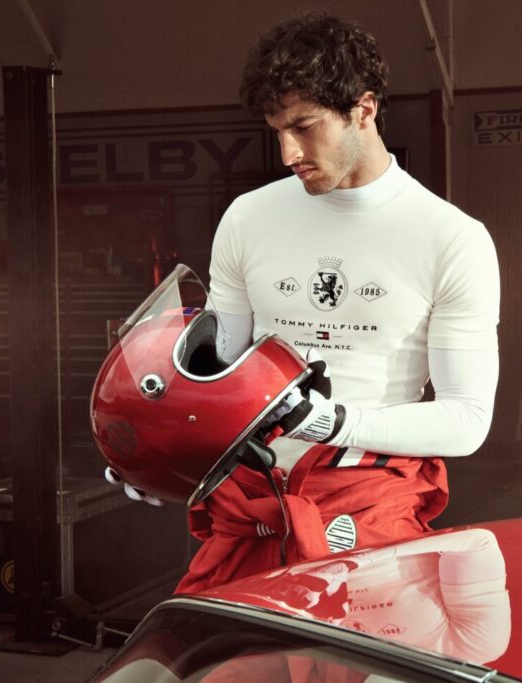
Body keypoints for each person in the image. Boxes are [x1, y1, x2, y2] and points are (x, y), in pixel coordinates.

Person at [175, 12, 500, 593]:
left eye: (303, 127)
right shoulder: (248, 218)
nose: (287, 152)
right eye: (276, 130)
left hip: (368, 501)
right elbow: (220, 373)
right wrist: (161, 449)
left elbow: (467, 419)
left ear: (364, 109)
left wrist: (340, 422)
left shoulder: (451, 238)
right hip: (250, 499)